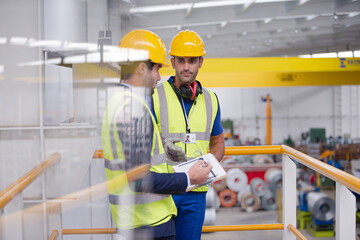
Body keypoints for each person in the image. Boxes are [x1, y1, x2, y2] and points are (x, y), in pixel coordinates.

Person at [101, 29, 212, 240]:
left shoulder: (118, 102)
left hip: (135, 220)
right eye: (157, 69)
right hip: (149, 222)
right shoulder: (132, 110)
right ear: (142, 68)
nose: (159, 77)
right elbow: (138, 180)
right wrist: (189, 178)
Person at [152, 29, 225, 240]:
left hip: (196, 193)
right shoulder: (155, 95)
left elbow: (218, 142)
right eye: (181, 60)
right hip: (164, 191)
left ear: (201, 62)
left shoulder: (211, 100)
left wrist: (209, 166)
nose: (186, 67)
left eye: (192, 60)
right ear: (172, 62)